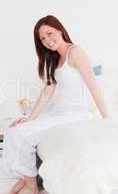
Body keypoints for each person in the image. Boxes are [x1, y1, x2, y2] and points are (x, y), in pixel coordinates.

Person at [2, 15, 108, 194]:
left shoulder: (75, 52)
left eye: (49, 34)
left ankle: (31, 185)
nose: (47, 41)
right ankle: (26, 178)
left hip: (74, 116)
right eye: (42, 39)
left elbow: (93, 87)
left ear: (59, 29)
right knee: (13, 128)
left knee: (21, 134)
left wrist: (107, 119)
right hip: (58, 112)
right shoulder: (55, 59)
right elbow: (47, 91)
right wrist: (30, 117)